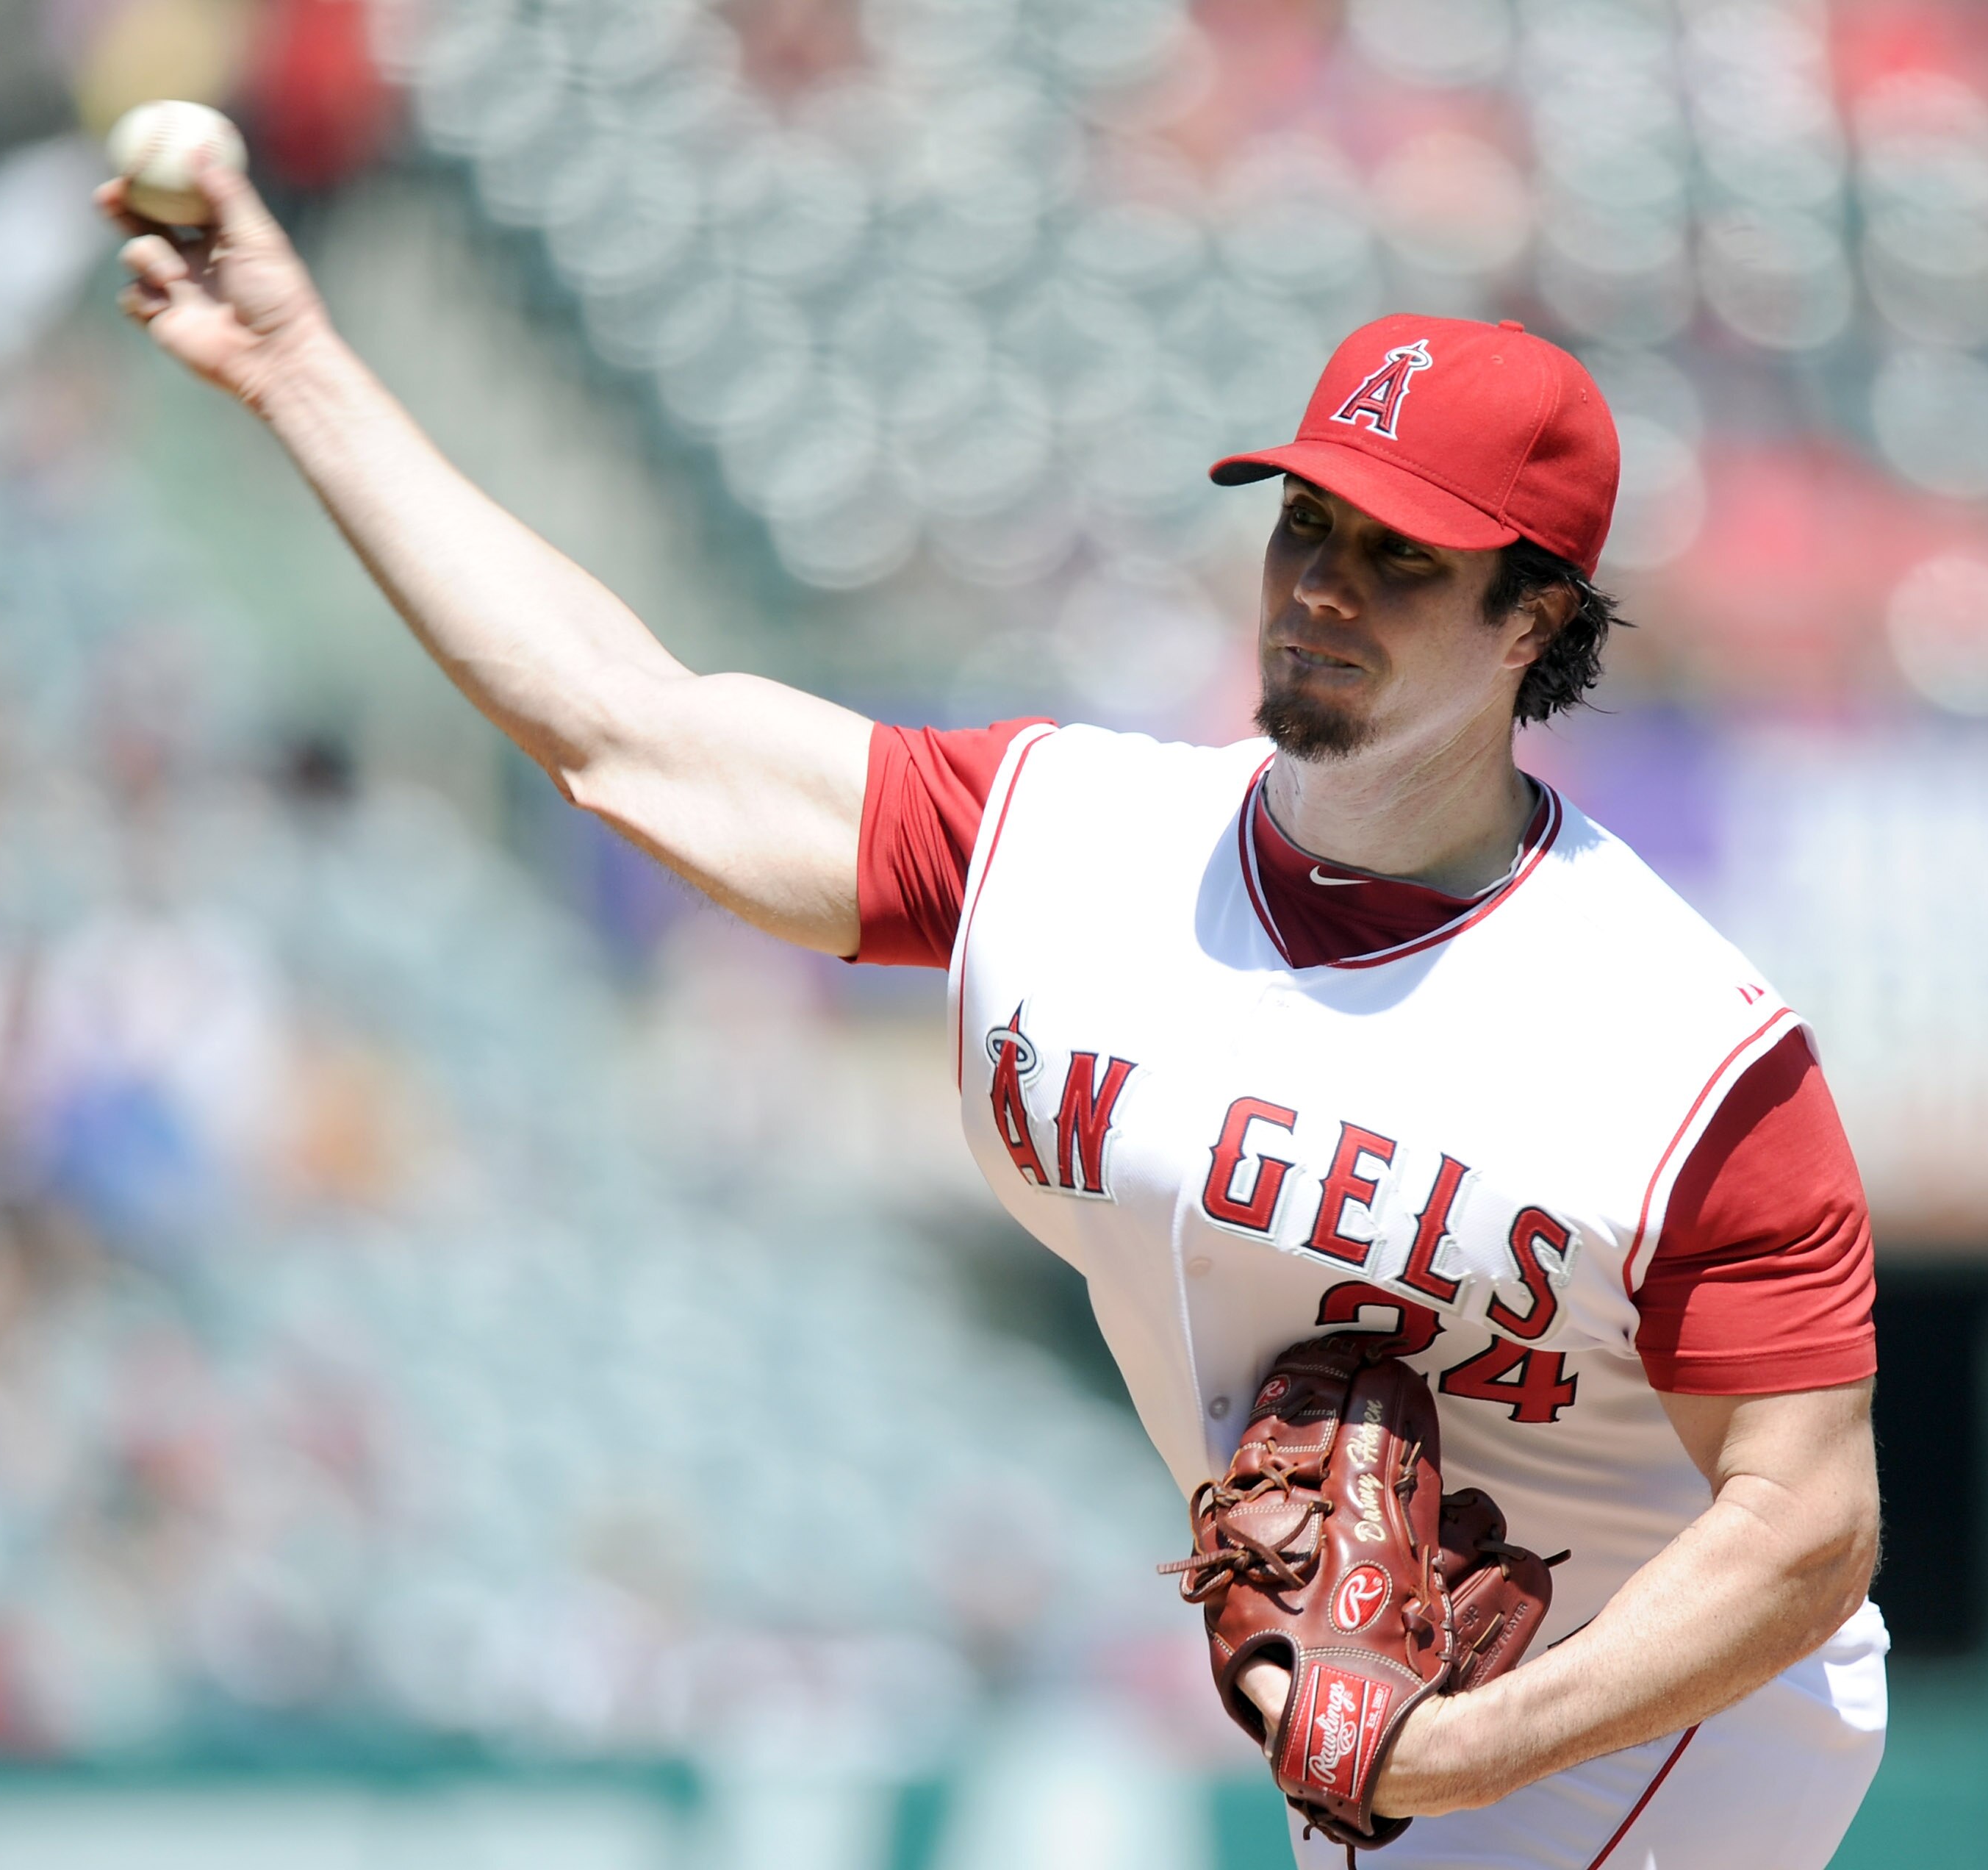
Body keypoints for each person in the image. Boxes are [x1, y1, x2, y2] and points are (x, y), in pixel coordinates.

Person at [104, 164, 1884, 1870]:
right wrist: (290, 364)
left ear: (1534, 623)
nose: (1322, 584)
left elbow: (1807, 1525)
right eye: (1304, 522)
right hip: (1380, 1733)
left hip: (1665, 1738)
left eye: (1403, 557)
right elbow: (625, 730)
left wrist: (1470, 1750)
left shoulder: (1682, 1056)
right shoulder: (1068, 846)